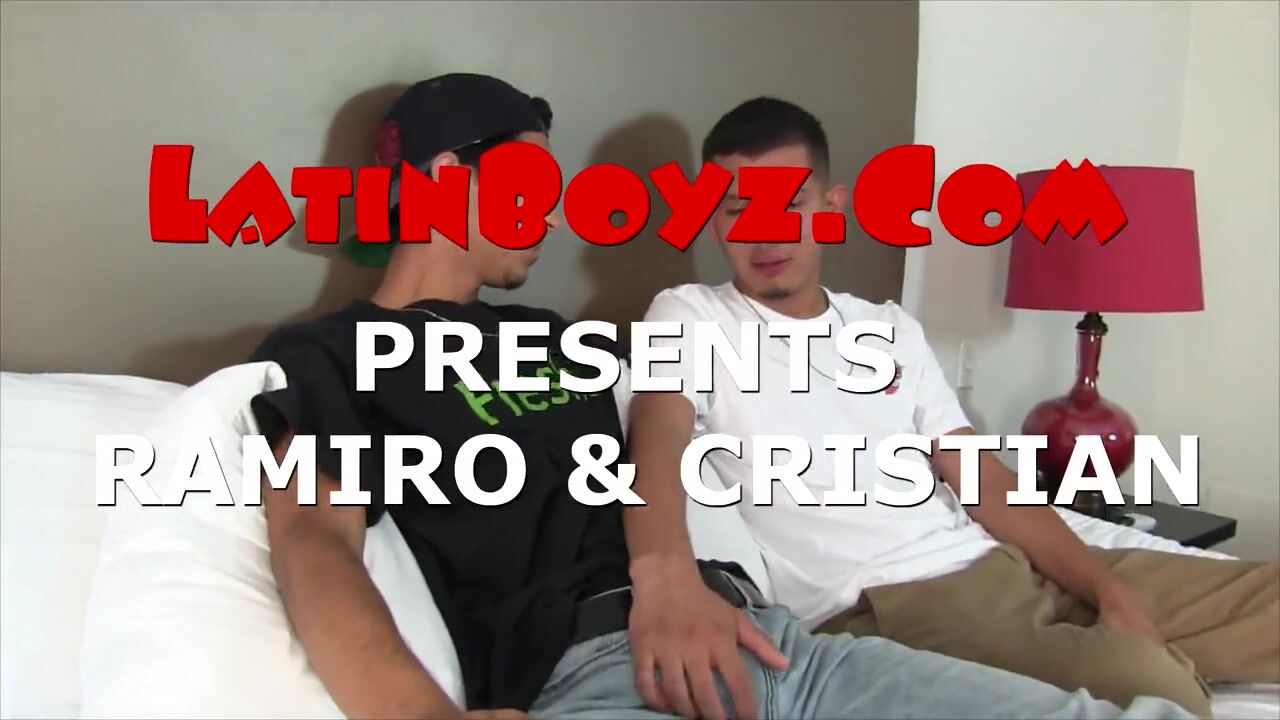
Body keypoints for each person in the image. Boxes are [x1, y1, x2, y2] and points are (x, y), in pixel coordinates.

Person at [248, 73, 1198, 720]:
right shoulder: (328, 355)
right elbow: (313, 542)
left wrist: (680, 578)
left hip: (770, 640)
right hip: (598, 671)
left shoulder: (562, 339)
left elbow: (657, 449)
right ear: (446, 177)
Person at [628, 95, 1280, 720]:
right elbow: (656, 437)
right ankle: (1162, 663)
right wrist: (664, 580)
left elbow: (982, 477)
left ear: (831, 206)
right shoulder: (691, 315)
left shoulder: (888, 327)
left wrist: (1107, 589)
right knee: (1158, 692)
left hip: (998, 556)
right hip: (900, 601)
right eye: (735, 210)